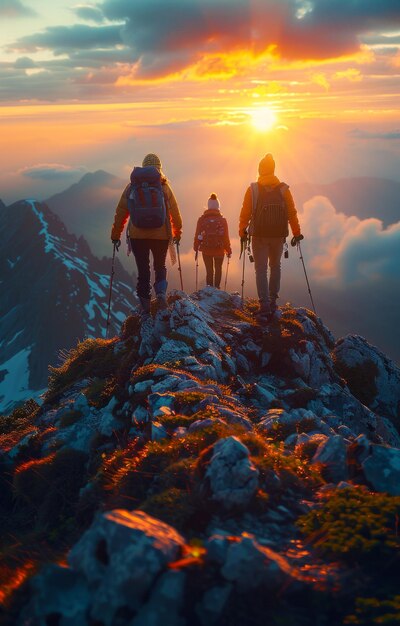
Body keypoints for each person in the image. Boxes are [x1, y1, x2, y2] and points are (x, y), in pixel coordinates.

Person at [111, 153, 182, 317]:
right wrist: (178, 231)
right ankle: (161, 296)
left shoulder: (132, 187)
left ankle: (145, 307)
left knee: (143, 270)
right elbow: (175, 211)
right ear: (159, 169)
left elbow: (121, 212)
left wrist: (116, 234)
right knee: (159, 266)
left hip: (138, 236)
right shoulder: (164, 187)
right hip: (161, 235)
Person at [239, 153, 303, 318]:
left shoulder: (253, 189)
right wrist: (297, 232)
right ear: (273, 170)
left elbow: (245, 213)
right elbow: (292, 213)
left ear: (260, 170)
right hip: (278, 236)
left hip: (259, 235)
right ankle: (273, 301)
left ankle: (264, 304)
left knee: (260, 269)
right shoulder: (283, 189)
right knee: (275, 266)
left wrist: (242, 231)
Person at [193, 193, 232, 289]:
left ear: (208, 206)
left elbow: (197, 234)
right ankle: (217, 288)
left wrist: (196, 246)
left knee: (209, 271)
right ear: (218, 206)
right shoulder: (223, 220)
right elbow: (226, 236)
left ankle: (209, 289)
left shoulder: (201, 219)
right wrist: (228, 249)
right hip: (219, 249)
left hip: (206, 249)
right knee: (218, 269)